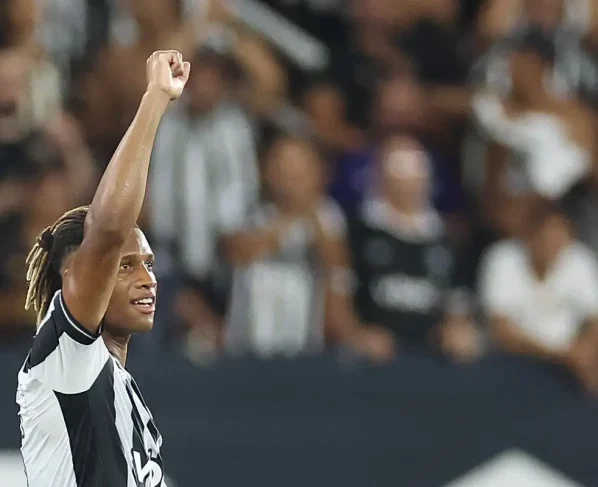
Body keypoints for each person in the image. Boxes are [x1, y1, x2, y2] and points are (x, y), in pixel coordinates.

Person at [16, 50, 190, 486]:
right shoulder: (65, 354)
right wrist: (155, 99)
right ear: (74, 278)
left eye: (148, 264)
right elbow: (109, 228)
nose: (147, 280)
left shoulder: (116, 386)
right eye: (124, 267)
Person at [480, 203, 598, 394]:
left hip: (571, 368)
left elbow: (594, 322)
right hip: (513, 365)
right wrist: (562, 356)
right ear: (529, 236)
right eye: (546, 236)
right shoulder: (502, 258)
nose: (553, 244)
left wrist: (583, 351)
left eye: (560, 237)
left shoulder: (581, 260)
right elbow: (501, 330)